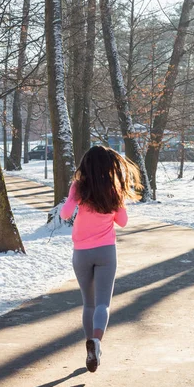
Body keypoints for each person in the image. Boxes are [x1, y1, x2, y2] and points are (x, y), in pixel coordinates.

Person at [60, 145, 142, 373]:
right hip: (106, 251)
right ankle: (96, 342)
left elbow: (65, 214)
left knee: (89, 302)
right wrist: (118, 202)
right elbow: (123, 222)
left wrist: (71, 199)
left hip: (82, 252)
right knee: (103, 303)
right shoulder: (113, 190)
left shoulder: (79, 187)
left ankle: (90, 345)